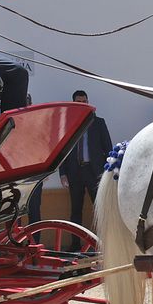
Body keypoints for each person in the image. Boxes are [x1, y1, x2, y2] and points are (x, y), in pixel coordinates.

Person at [59, 90, 113, 226]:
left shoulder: (99, 123)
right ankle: (75, 244)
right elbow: (62, 150)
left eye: (85, 102)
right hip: (74, 172)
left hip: (94, 172)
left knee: (100, 210)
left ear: (88, 102)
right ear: (73, 104)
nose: (82, 104)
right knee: (76, 210)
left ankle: (102, 243)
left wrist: (109, 172)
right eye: (79, 102)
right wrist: (63, 173)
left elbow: (108, 148)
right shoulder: (67, 124)